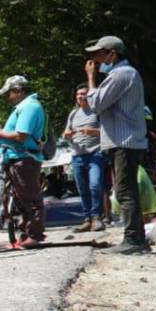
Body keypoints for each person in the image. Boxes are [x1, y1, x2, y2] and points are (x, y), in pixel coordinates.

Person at [84, 35, 150, 253]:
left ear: (112, 54)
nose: (95, 60)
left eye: (99, 55)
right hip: (125, 141)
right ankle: (137, 238)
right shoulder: (125, 73)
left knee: (124, 191)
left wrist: (91, 78)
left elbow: (95, 103)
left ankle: (133, 240)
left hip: (124, 142)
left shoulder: (120, 74)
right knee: (127, 189)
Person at [0, 75, 47, 249]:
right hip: (15, 158)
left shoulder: (30, 106)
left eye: (9, 93)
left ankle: (34, 235)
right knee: (21, 200)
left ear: (18, 91)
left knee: (30, 198)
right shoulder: (23, 107)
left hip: (24, 159)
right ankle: (26, 234)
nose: (7, 98)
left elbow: (21, 135)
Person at [64, 83, 106, 231]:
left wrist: (93, 131)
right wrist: (67, 135)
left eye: (84, 94)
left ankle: (97, 217)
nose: (81, 96)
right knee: (82, 189)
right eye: (78, 94)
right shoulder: (73, 114)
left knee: (95, 185)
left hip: (95, 153)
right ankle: (87, 218)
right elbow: (66, 134)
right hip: (77, 156)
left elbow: (108, 131)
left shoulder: (98, 111)